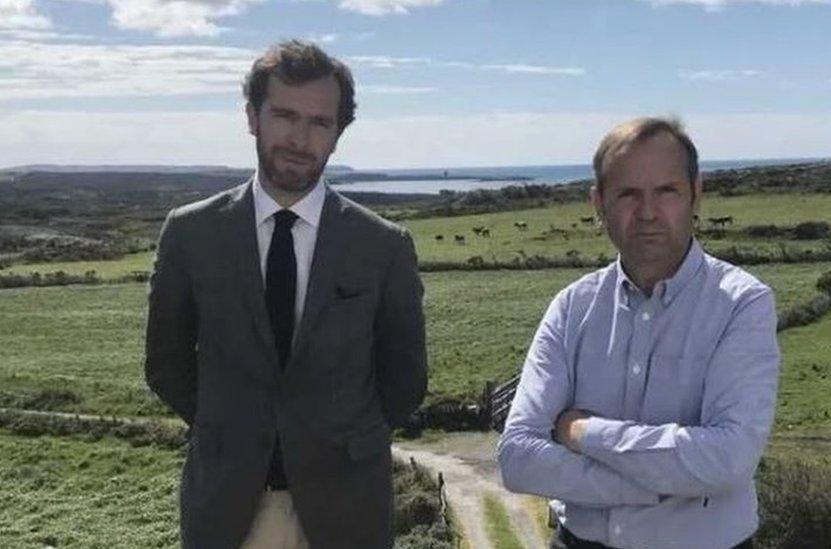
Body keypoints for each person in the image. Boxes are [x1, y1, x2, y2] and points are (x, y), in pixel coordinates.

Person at [145, 39, 427, 549]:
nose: (300, 138)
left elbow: (404, 382)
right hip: (226, 508)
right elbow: (166, 365)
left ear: (338, 135)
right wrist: (232, 427)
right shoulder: (190, 234)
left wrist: (336, 439)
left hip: (348, 513)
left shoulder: (383, 246)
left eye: (320, 123)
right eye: (284, 115)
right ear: (253, 117)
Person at [497, 117, 780, 549]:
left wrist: (582, 432)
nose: (648, 213)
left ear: (695, 195)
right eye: (628, 194)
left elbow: (729, 460)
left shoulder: (742, 304)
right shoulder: (572, 307)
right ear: (599, 203)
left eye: (666, 191)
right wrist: (658, 487)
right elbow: (517, 458)